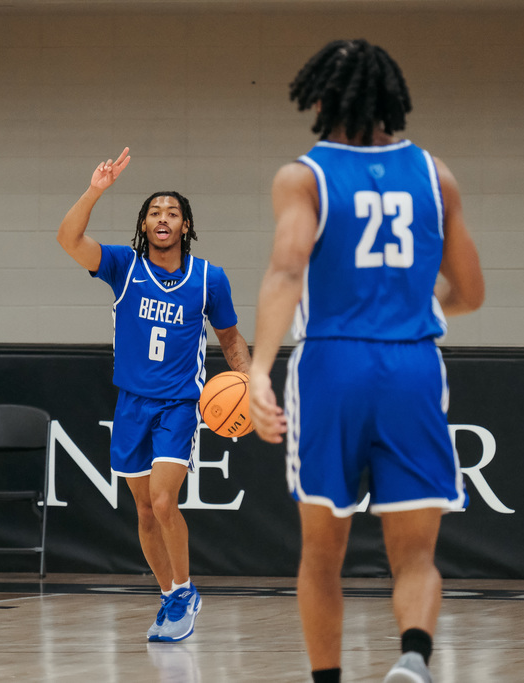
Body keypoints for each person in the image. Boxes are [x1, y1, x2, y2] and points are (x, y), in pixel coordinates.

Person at [248, 40, 484, 683]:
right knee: (416, 556)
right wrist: (413, 301)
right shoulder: (435, 176)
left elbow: (286, 269)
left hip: (332, 365)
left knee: (321, 555)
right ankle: (412, 657)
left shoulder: (304, 177)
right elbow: (470, 293)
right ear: (391, 101)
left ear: (319, 101)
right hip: (412, 366)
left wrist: (259, 369)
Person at [57, 147, 251, 643]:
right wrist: (95, 190)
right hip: (131, 405)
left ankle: (184, 590)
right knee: (144, 511)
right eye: (155, 212)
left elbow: (230, 339)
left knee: (164, 501)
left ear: (186, 226)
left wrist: (249, 384)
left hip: (179, 405)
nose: (163, 218)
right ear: (144, 225)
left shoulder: (209, 278)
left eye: (173, 213)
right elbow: (68, 239)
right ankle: (170, 597)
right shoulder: (124, 266)